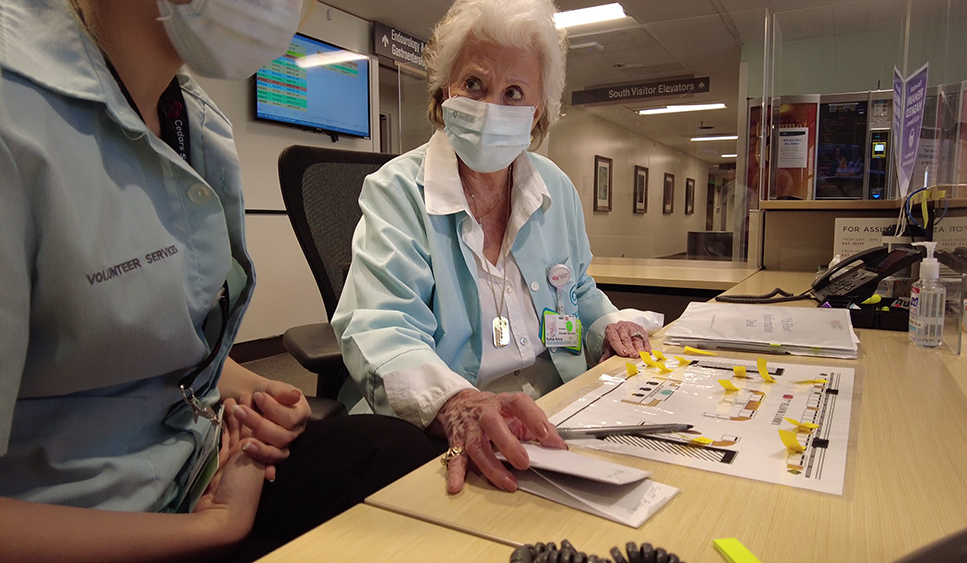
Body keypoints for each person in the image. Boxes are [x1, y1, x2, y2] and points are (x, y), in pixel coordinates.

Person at [0, 0, 433, 559]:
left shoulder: (192, 120)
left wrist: (260, 393)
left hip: (196, 461)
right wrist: (211, 528)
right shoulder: (17, 112)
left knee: (394, 457)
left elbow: (163, 343)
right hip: (83, 518)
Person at [332, 0, 663, 496]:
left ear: (538, 114)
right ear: (445, 92)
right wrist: (456, 405)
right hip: (440, 433)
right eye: (474, 85)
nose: (491, 109)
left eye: (514, 93)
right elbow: (382, 328)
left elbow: (579, 287)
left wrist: (608, 326)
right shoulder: (398, 192)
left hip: (558, 414)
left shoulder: (555, 189)